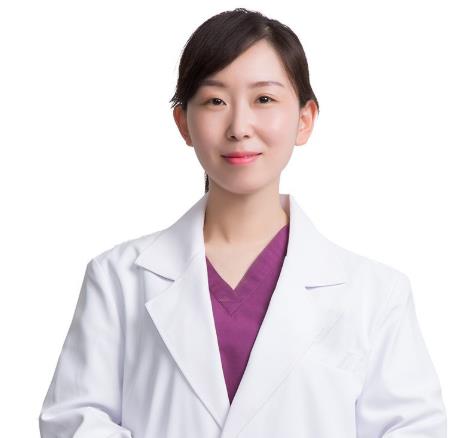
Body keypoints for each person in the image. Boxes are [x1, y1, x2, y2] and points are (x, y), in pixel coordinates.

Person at [39, 7, 447, 437]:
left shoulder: (375, 294)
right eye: (215, 101)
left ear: (304, 119)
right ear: (183, 123)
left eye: (264, 99)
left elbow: (412, 429)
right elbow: (74, 422)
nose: (239, 126)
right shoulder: (117, 279)